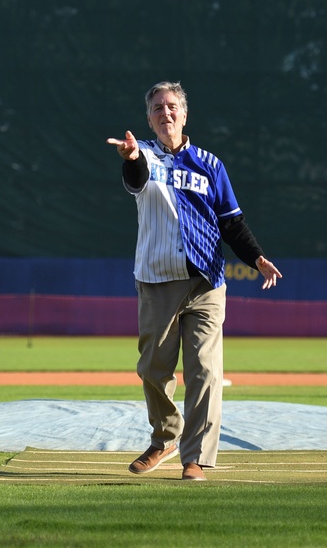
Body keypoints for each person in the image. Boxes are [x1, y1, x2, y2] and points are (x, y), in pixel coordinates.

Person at [106, 81, 282, 482]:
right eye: (156, 108)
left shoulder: (210, 164)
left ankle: (196, 458)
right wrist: (131, 155)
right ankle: (166, 436)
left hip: (206, 283)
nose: (164, 113)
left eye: (171, 107)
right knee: (153, 369)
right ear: (148, 118)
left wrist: (256, 258)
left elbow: (231, 221)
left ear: (185, 115)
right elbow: (135, 178)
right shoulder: (145, 155)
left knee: (204, 371)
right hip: (156, 281)